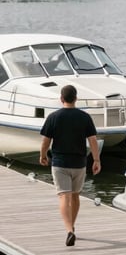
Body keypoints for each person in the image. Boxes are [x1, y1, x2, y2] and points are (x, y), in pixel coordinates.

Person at [40, 84, 101, 246]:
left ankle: (69, 230)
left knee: (64, 196)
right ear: (76, 99)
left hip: (60, 163)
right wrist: (96, 160)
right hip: (79, 164)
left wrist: (43, 155)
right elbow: (93, 140)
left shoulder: (53, 117)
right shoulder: (84, 117)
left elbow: (46, 140)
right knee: (75, 196)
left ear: (61, 99)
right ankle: (72, 226)